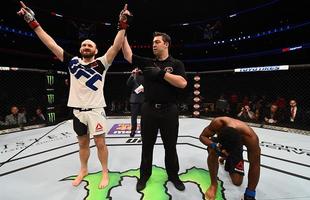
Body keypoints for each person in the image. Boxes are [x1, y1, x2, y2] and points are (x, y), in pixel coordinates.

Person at [17, 1, 131, 189]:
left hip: (96, 110)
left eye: (90, 45)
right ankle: (83, 169)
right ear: (80, 49)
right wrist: (32, 21)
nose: (86, 46)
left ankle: (105, 172)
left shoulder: (102, 63)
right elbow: (49, 42)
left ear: (95, 51)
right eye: (84, 44)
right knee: (82, 144)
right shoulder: (72, 62)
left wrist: (122, 24)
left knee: (100, 144)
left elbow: (117, 45)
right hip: (77, 111)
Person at [122, 32, 187, 191]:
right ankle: (144, 175)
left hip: (169, 110)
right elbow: (127, 55)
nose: (154, 44)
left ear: (166, 44)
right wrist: (122, 30)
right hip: (149, 109)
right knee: (147, 146)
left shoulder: (176, 63)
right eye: (153, 42)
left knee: (170, 146)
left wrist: (162, 73)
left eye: (157, 42)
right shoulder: (148, 62)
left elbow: (183, 83)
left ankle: (173, 175)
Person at [199, 116, 260, 200]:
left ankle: (225, 158)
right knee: (212, 150)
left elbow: (255, 164)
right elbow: (202, 136)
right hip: (220, 144)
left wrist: (250, 194)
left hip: (233, 147)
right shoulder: (218, 123)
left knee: (237, 182)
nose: (224, 153)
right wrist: (214, 145)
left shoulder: (251, 138)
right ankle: (214, 184)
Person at [126, 67, 144, 137]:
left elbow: (150, 85)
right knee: (133, 117)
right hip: (134, 100)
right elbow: (128, 84)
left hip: (143, 99)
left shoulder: (146, 76)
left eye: (139, 69)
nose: (138, 70)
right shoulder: (133, 76)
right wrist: (132, 74)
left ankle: (144, 131)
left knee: (144, 117)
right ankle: (133, 131)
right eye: (137, 69)